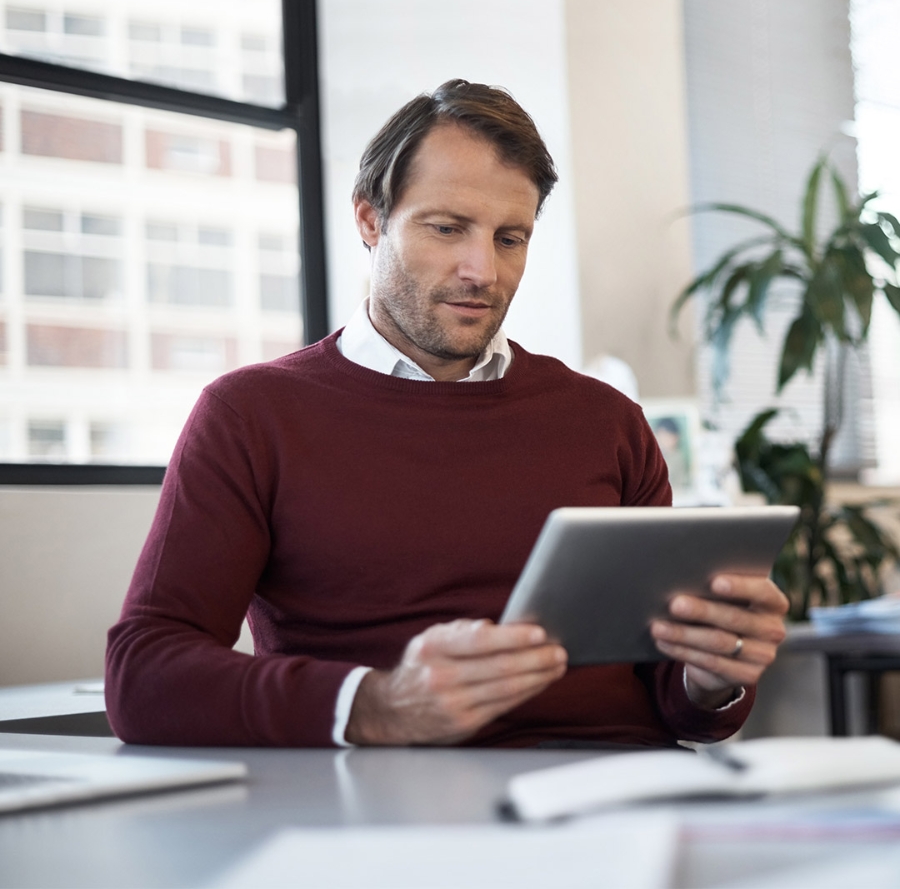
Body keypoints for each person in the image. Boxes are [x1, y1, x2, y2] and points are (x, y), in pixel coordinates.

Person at [105, 79, 788, 749]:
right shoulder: (251, 415)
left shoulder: (606, 421)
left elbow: (678, 700)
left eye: (509, 238)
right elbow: (144, 675)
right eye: (447, 228)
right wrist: (378, 705)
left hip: (625, 798)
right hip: (389, 806)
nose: (481, 270)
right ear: (370, 220)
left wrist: (709, 675)